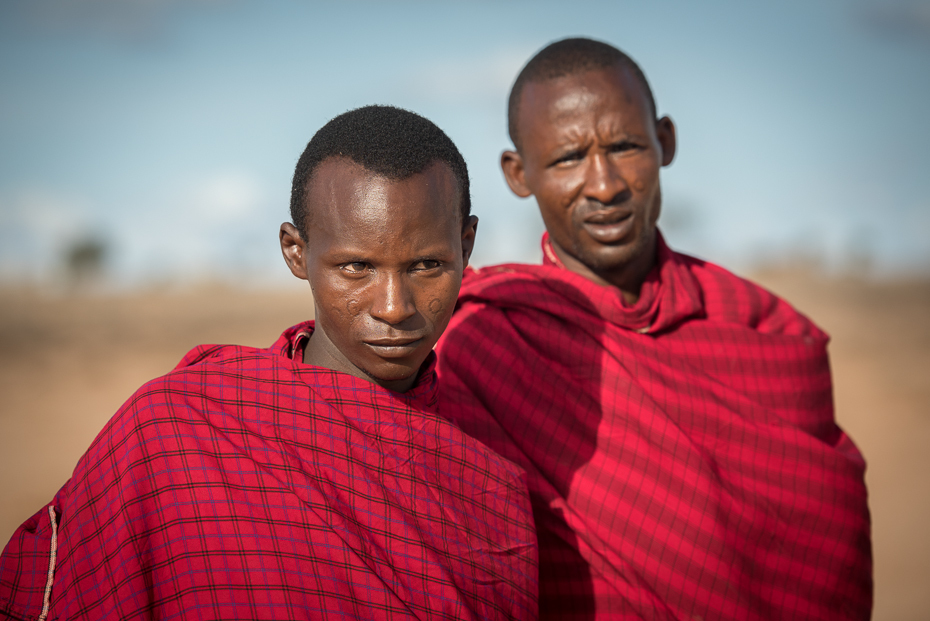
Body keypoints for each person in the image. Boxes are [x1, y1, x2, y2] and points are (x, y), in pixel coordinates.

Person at [0, 105, 537, 621]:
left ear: (466, 246)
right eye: (355, 267)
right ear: (296, 252)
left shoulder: (489, 492)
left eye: (427, 265)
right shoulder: (174, 435)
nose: (394, 307)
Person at [435, 38, 872, 620]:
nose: (605, 185)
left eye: (625, 146)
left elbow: (825, 553)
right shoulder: (479, 337)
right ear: (519, 174)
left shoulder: (760, 328)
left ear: (664, 141)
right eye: (567, 159)